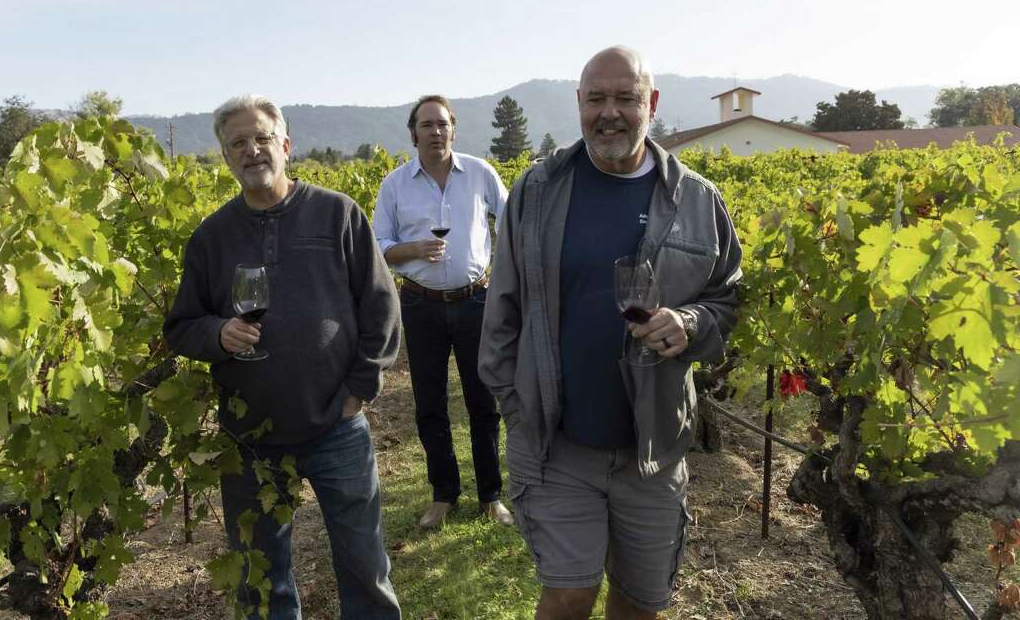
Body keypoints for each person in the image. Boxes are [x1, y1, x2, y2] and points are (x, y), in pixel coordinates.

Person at [479, 46, 742, 620]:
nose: (610, 112)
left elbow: (727, 297)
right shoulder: (538, 190)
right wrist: (515, 411)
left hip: (652, 449)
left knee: (640, 605)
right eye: (596, 98)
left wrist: (690, 324)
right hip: (558, 444)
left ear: (650, 103)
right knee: (569, 596)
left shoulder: (697, 199)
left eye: (625, 98)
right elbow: (503, 309)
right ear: (579, 104)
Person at [164, 94, 403, 620]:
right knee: (260, 577)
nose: (252, 150)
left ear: (286, 146)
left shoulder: (338, 213)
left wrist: (359, 391)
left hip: (337, 425)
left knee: (365, 566)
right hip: (248, 437)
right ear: (225, 158)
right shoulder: (211, 237)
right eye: (238, 144)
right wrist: (217, 332)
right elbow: (181, 326)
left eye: (262, 138)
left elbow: (381, 305)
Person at [372, 95, 513, 529]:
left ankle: (491, 496)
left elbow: (510, 225)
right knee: (430, 404)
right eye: (427, 125)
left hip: (476, 301)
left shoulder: (481, 174)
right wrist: (412, 249)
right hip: (421, 304)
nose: (436, 132)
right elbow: (377, 247)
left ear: (453, 129)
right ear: (412, 133)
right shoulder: (395, 185)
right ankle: (443, 494)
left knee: (482, 401)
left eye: (443, 124)